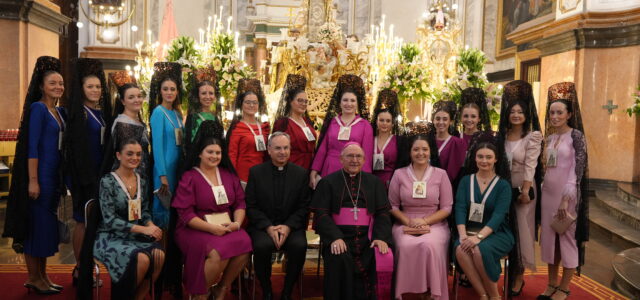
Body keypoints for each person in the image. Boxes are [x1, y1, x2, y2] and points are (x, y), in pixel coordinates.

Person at [3, 56, 66, 295]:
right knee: (34, 227)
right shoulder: (38, 108)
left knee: (45, 227)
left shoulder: (58, 111)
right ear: (41, 86)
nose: (58, 86)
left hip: (53, 176)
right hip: (39, 176)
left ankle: (43, 276)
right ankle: (33, 277)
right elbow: (32, 147)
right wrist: (32, 180)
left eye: (60, 83)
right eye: (52, 83)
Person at [173, 120, 251, 300]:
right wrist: (212, 229)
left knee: (245, 242)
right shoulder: (189, 177)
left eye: (218, 152)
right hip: (194, 227)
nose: (214, 156)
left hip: (225, 225)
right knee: (217, 252)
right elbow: (185, 214)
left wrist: (237, 223)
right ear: (199, 154)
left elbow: (240, 203)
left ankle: (221, 289)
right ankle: (199, 293)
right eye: (210, 152)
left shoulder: (228, 175)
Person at [311, 142, 393, 300]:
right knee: (338, 256)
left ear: (364, 160)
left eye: (358, 156)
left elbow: (383, 213)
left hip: (367, 238)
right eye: (350, 156)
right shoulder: (327, 182)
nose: (354, 160)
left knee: (378, 255)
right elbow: (321, 214)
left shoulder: (374, 183)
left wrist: (380, 238)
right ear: (341, 159)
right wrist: (334, 237)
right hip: (339, 237)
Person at [94, 138, 165, 299]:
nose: (135, 158)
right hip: (109, 236)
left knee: (159, 255)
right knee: (142, 259)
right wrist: (144, 229)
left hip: (135, 235)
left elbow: (144, 212)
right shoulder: (107, 181)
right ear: (119, 155)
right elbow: (109, 220)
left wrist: (152, 226)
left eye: (139, 154)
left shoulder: (142, 180)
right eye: (130, 154)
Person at [538, 82, 589, 300]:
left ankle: (565, 287)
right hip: (548, 194)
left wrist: (565, 200)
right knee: (549, 240)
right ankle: (551, 284)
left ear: (569, 114)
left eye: (560, 112)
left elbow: (577, 170)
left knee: (566, 239)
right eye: (552, 112)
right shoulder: (549, 138)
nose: (555, 116)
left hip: (566, 196)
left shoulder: (576, 136)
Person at [246, 132, 311, 300]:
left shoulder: (301, 174)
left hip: (291, 226)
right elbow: (251, 206)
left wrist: (288, 227)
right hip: (263, 226)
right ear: (269, 150)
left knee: (299, 246)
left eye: (286, 148)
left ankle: (287, 291)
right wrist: (268, 227)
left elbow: (304, 207)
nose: (282, 152)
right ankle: (266, 289)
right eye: (278, 148)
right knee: (261, 246)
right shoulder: (255, 172)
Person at [64, 58, 111, 286]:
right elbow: (73, 149)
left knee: (94, 222)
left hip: (99, 175)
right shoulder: (79, 113)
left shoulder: (101, 112)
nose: (95, 90)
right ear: (81, 89)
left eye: (98, 87)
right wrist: (80, 179)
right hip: (83, 177)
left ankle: (88, 266)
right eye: (90, 86)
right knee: (82, 221)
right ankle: (80, 269)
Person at [389, 134, 452, 300]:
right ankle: (407, 293)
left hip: (435, 223)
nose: (420, 153)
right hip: (405, 221)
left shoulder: (441, 174)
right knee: (403, 245)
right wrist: (408, 221)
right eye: (416, 149)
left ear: (431, 151)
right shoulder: (399, 174)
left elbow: (446, 208)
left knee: (429, 245)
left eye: (424, 149)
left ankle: (431, 292)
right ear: (409, 152)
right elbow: (393, 206)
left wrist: (424, 221)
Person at [454, 134, 514, 300]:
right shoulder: (466, 181)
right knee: (460, 248)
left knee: (480, 249)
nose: (484, 160)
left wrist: (479, 237)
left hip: (497, 232)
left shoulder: (503, 185)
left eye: (489, 157)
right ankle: (482, 294)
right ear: (474, 158)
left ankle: (494, 296)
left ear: (496, 159)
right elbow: (459, 208)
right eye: (480, 156)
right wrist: (463, 235)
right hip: (468, 230)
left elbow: (499, 216)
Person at [498, 80, 544, 296]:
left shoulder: (532, 136)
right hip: (504, 188)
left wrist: (525, 191)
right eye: (512, 111)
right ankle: (507, 267)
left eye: (520, 112)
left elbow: (531, 165)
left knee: (523, 231)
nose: (516, 115)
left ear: (526, 114)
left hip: (523, 189)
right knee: (507, 229)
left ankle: (519, 276)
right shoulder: (503, 136)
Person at [310, 74, 374, 189]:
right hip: (329, 169)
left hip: (353, 170)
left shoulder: (365, 125)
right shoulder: (332, 122)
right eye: (345, 100)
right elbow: (323, 149)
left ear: (357, 103)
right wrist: (314, 171)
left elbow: (367, 155)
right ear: (339, 102)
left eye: (352, 101)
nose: (348, 104)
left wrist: (364, 179)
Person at [149, 62, 185, 229]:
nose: (169, 92)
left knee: (174, 209)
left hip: (177, 168)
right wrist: (162, 174)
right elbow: (156, 146)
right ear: (160, 91)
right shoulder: (158, 112)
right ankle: (160, 251)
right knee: (162, 208)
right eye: (166, 89)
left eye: (172, 89)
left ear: (177, 91)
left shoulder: (177, 113)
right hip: (163, 170)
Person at [226, 78, 271, 186]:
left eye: (255, 102)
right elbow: (232, 155)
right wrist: (233, 179)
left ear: (259, 105)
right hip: (243, 177)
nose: (251, 105)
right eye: (248, 102)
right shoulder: (238, 128)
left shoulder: (264, 127)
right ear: (241, 104)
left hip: (262, 175)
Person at [272, 74, 317, 169]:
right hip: (292, 169)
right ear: (290, 101)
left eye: (305, 101)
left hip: (309, 168)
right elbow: (277, 149)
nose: (303, 104)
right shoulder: (283, 123)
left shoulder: (307, 122)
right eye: (300, 100)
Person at [371, 89, 404, 187]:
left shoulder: (399, 141)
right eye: (381, 120)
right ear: (376, 122)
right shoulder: (371, 140)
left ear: (393, 123)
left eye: (388, 121)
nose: (384, 123)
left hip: (392, 182)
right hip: (372, 182)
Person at [185, 66, 223, 146]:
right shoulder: (193, 117)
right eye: (203, 93)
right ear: (198, 95)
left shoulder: (215, 117)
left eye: (211, 93)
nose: (208, 97)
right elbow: (189, 143)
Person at [430, 100, 467, 184]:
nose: (441, 122)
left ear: (450, 121)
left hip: (448, 185)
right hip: (428, 185)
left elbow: (454, 172)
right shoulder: (428, 141)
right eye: (438, 119)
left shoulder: (458, 143)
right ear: (433, 120)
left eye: (445, 119)